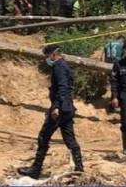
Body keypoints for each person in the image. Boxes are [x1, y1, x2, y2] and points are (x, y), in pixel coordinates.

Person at [17, 45, 84, 178]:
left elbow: (62, 87)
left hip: (61, 108)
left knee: (43, 136)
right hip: (68, 107)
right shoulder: (65, 65)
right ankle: (79, 167)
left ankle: (35, 170)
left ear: (53, 55)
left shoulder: (58, 66)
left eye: (47, 57)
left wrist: (56, 107)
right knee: (69, 138)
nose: (46, 59)